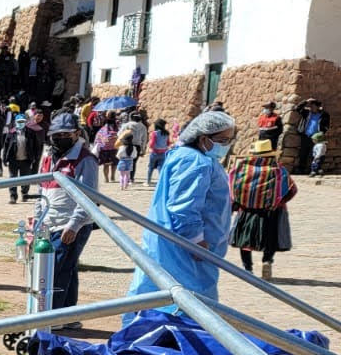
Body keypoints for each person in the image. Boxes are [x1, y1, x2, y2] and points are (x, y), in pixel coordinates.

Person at [126, 111, 237, 319]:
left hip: (173, 244)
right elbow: (183, 207)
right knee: (187, 303)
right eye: (222, 140)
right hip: (185, 250)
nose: (227, 145)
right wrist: (196, 241)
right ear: (203, 138)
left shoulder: (191, 157)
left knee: (156, 292)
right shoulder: (194, 162)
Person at [36, 112, 100, 324]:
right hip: (50, 221)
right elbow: (41, 189)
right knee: (67, 268)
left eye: (65, 134)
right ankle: (70, 316)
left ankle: (54, 318)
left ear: (77, 134)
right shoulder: (48, 157)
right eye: (56, 135)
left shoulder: (85, 159)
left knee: (57, 269)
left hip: (73, 224)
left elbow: (88, 196)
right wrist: (38, 219)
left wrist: (74, 225)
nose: (60, 138)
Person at [229, 138, 298, 280]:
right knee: (270, 239)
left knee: (246, 241)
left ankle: (247, 268)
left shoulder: (242, 169)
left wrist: (237, 204)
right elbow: (292, 190)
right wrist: (278, 201)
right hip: (271, 212)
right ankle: (267, 261)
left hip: (247, 212)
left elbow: (232, 189)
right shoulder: (279, 171)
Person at [1, 113, 42, 204]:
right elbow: (6, 147)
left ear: (26, 122)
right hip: (13, 160)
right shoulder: (11, 133)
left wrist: (36, 158)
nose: (20, 123)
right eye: (19, 122)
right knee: (12, 179)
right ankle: (13, 197)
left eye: (22, 122)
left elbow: (36, 147)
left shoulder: (31, 133)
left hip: (26, 160)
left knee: (25, 179)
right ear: (15, 122)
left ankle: (24, 194)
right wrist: (4, 159)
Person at [93, 114, 119, 183]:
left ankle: (106, 179)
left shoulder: (102, 130)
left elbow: (97, 139)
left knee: (106, 164)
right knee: (114, 163)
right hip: (114, 148)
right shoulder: (117, 129)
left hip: (104, 149)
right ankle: (113, 177)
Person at [146, 119, 170, 186]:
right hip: (163, 152)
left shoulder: (154, 133)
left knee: (151, 167)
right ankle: (161, 182)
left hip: (154, 152)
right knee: (161, 167)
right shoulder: (167, 133)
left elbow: (152, 143)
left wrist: (149, 147)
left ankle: (148, 182)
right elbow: (168, 143)